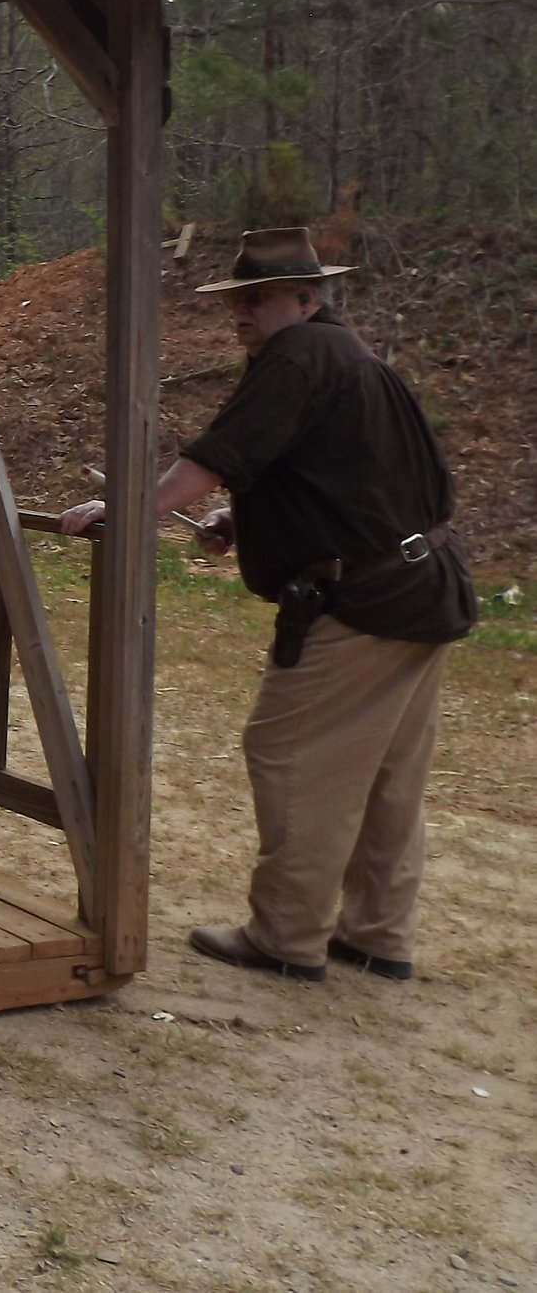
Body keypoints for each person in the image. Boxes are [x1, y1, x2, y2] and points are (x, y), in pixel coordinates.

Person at [60, 226, 474, 985]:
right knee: (386, 772)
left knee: (291, 754)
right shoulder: (351, 359)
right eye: (238, 299)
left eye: (259, 299)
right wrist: (244, 523)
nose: (242, 313)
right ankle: (378, 933)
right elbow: (346, 477)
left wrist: (126, 506)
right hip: (419, 585)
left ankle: (287, 936)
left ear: (308, 299)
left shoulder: (301, 355)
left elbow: (216, 458)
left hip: (369, 597)